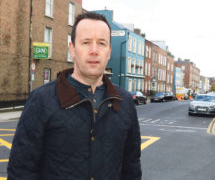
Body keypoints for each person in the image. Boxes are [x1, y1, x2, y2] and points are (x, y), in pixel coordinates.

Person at [7, 12, 142, 180]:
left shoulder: (124, 102)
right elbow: (21, 169)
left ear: (109, 51)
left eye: (101, 43)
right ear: (72, 49)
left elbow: (131, 166)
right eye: (86, 42)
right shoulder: (42, 100)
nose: (94, 50)